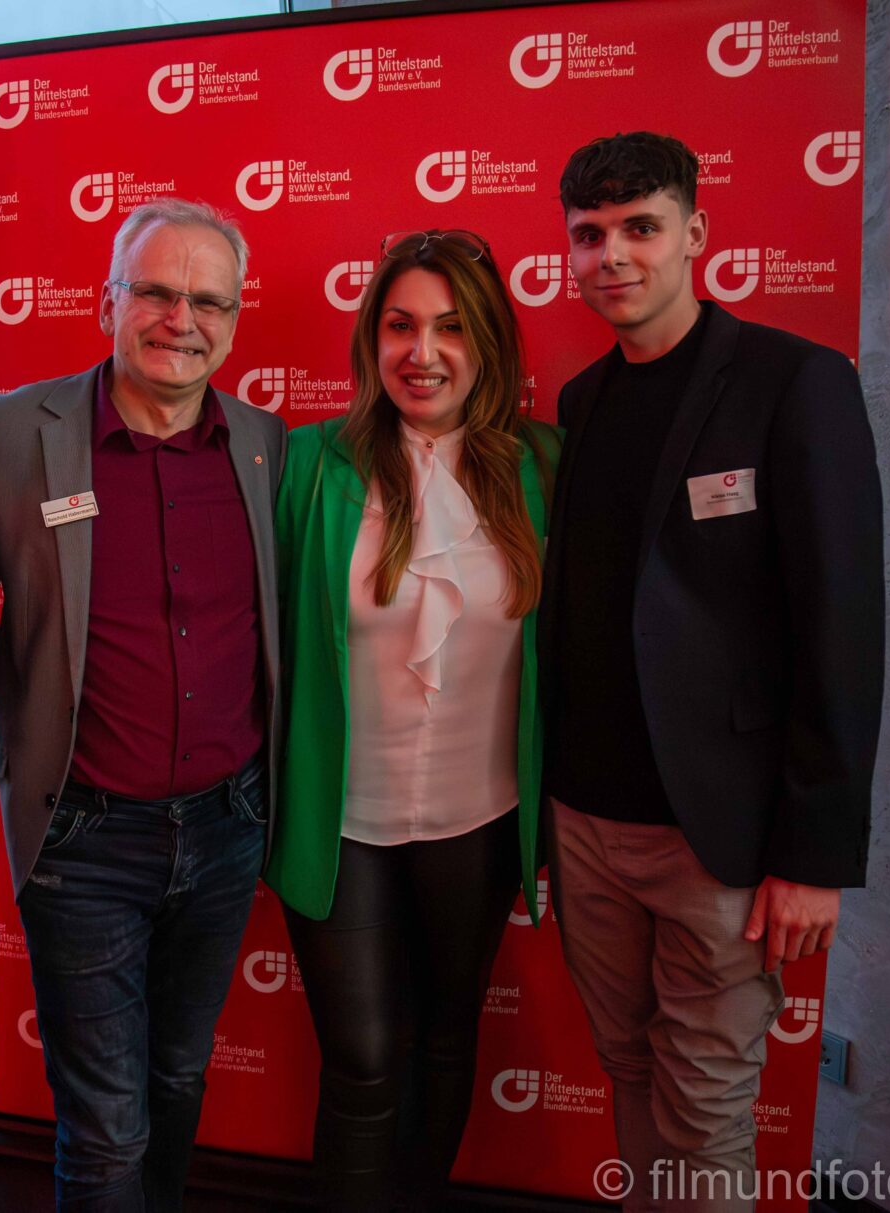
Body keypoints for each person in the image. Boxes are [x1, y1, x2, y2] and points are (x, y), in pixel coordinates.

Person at [538, 132, 883, 1211]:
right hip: (583, 823)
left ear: (694, 233)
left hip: (719, 841)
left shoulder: (795, 382)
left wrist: (812, 853)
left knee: (705, 1110)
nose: (611, 256)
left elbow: (841, 623)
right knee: (631, 1072)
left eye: (640, 228)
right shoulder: (580, 402)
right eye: (589, 234)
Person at [0, 197, 286, 1212]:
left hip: (228, 826)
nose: (180, 320)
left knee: (178, 1077)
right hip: (84, 837)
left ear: (232, 320)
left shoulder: (266, 444)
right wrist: (39, 680)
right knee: (105, 1127)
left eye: (207, 301)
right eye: (153, 291)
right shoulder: (10, 432)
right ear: (107, 301)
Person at [264, 229, 560, 1212]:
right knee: (361, 1058)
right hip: (339, 823)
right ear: (371, 339)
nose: (421, 352)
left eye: (450, 327)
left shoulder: (543, 465)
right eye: (400, 325)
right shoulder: (309, 462)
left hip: (480, 817)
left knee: (443, 1038)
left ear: (487, 343)